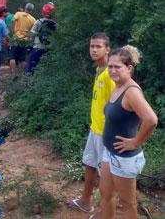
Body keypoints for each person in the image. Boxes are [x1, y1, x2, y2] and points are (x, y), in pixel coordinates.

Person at [98, 46, 158, 219]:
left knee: (127, 203)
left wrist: (135, 142)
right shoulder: (118, 86)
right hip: (110, 153)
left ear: (129, 68)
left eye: (118, 67)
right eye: (110, 66)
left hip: (124, 158)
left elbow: (151, 120)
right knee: (105, 193)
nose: (113, 70)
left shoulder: (131, 91)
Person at [68, 33, 114, 214]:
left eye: (98, 47)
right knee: (89, 164)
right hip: (95, 128)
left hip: (106, 132)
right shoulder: (99, 70)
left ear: (107, 49)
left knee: (107, 176)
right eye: (92, 46)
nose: (94, 50)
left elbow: (119, 102)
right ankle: (85, 201)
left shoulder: (110, 73)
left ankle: (106, 213)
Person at [27, 3, 56, 73]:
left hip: (37, 47)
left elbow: (32, 34)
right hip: (48, 48)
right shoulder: (55, 24)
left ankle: (29, 81)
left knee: (31, 66)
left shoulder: (38, 22)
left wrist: (30, 43)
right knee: (46, 67)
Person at [8, 3, 35, 75]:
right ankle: (23, 74)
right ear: (32, 10)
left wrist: (12, 30)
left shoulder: (19, 14)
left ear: (25, 7)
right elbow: (32, 30)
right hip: (25, 40)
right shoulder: (33, 19)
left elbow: (13, 20)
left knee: (12, 56)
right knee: (23, 58)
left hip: (16, 38)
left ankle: (13, 74)